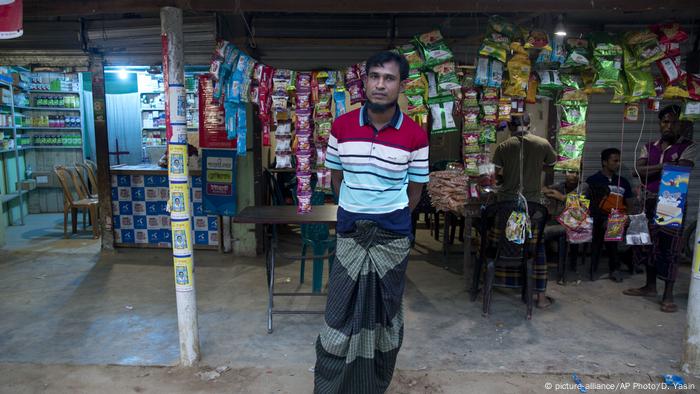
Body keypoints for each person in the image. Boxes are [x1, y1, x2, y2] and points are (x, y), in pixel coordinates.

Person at [316, 51, 429, 393]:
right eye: (375, 76)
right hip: (351, 232)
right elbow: (336, 177)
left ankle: (371, 384)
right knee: (338, 313)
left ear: (401, 85)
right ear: (364, 81)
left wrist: (389, 214)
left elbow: (415, 190)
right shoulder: (342, 126)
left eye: (389, 78)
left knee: (385, 315)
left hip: (392, 238)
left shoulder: (415, 135)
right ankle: (333, 384)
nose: (381, 84)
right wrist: (357, 206)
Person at [623, 105, 697, 313]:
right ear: (660, 123)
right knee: (647, 244)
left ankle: (668, 294)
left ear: (680, 124)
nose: (668, 126)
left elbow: (680, 170)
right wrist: (663, 167)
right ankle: (649, 286)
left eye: (673, 122)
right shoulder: (650, 146)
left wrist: (652, 169)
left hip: (671, 203)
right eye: (664, 121)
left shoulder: (688, 146)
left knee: (670, 248)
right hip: (648, 199)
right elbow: (638, 171)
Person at [492, 113, 557, 308]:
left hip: (507, 205)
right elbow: (552, 166)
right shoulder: (542, 143)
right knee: (536, 248)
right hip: (533, 207)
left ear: (511, 127)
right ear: (529, 125)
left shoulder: (504, 146)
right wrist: (537, 166)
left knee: (505, 242)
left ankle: (503, 282)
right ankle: (541, 297)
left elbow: (496, 174)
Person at [585, 148, 636, 282]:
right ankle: (595, 268)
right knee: (598, 237)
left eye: (619, 161)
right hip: (597, 217)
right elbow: (586, 203)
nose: (617, 163)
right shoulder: (593, 180)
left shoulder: (623, 182)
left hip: (617, 217)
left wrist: (627, 217)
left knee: (613, 232)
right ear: (604, 162)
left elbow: (630, 204)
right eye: (615, 161)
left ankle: (614, 269)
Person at [542, 171, 584, 284]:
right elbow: (544, 189)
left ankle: (566, 270)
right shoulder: (559, 186)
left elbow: (581, 206)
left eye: (577, 172)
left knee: (544, 232)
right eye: (570, 172)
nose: (573, 175)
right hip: (558, 221)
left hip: (576, 222)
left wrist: (562, 197)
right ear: (564, 173)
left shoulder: (584, 187)